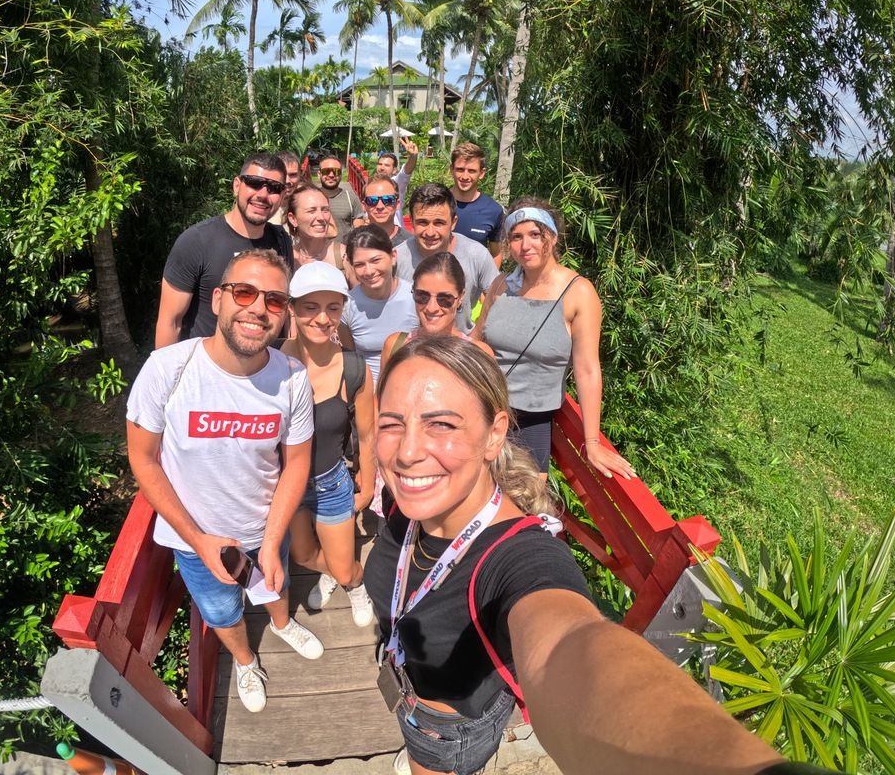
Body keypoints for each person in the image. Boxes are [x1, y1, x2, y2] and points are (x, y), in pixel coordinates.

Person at [364, 337, 784, 775]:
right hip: (409, 692)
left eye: (442, 425)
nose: (407, 453)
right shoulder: (411, 503)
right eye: (392, 424)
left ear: (494, 434)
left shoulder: (516, 558)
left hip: (446, 735)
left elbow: (567, 644)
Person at [126, 249, 323, 716]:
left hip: (264, 526)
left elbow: (296, 463)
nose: (258, 308)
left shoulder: (292, 378)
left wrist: (274, 537)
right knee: (220, 611)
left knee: (276, 584)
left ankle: (281, 625)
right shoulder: (167, 369)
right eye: (245, 292)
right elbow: (143, 460)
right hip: (194, 539)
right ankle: (245, 660)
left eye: (274, 300)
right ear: (217, 299)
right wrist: (198, 539)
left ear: (284, 315)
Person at [476, 198, 636, 479]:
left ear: (552, 236)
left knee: (522, 508)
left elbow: (587, 370)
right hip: (482, 410)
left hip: (529, 423)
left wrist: (593, 443)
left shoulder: (578, 293)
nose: (525, 245)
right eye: (516, 237)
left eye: (535, 235)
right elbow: (477, 342)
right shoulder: (501, 285)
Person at [281, 262, 376, 627]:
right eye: (310, 307)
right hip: (286, 486)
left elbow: (367, 434)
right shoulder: (269, 362)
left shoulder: (353, 369)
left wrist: (367, 484)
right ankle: (338, 572)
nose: (322, 318)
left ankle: (353, 582)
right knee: (304, 555)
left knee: (343, 565)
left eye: (332, 308)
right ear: (292, 308)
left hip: (330, 482)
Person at [155, 153, 293, 347]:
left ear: (282, 196)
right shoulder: (197, 241)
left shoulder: (281, 240)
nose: (262, 194)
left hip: (261, 367)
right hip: (205, 369)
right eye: (254, 183)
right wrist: (169, 375)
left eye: (274, 188)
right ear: (237, 186)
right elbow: (170, 322)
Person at [395, 183, 498, 334]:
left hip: (458, 349)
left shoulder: (476, 254)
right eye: (422, 222)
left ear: (453, 222)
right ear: (412, 221)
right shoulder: (397, 258)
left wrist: (476, 335)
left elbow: (497, 299)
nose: (430, 232)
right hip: (411, 349)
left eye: (439, 223)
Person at [380, 252, 493, 373]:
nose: (431, 307)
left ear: (460, 297)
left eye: (444, 299)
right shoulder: (395, 346)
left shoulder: (478, 355)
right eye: (422, 296)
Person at [338, 225, 418, 383]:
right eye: (360, 265)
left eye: (375, 260)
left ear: (393, 256)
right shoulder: (347, 306)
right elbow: (351, 361)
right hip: (366, 392)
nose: (369, 271)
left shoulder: (416, 298)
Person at [286, 184, 354, 284]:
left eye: (325, 210)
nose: (321, 217)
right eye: (311, 211)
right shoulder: (287, 257)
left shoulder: (343, 256)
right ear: (293, 219)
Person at [449, 142, 504, 260]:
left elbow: (496, 254)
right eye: (460, 169)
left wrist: (490, 278)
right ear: (451, 170)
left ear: (481, 173)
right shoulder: (437, 202)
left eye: (471, 171)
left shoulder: (493, 210)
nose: (465, 176)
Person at [316, 152, 366, 241]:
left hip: (343, 252)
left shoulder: (351, 198)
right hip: (317, 253)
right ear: (319, 174)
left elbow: (360, 231)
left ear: (340, 174)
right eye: (326, 171)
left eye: (336, 171)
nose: (331, 175)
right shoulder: (310, 199)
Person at [375, 137, 419, 225]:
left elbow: (406, 171)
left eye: (387, 165)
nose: (382, 168)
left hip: (396, 235)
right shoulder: (371, 185)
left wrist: (413, 156)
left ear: (394, 170)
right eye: (380, 164)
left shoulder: (396, 183)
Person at [362, 175, 413, 248]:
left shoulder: (411, 244)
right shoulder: (352, 243)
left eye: (388, 200)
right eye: (372, 200)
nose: (380, 206)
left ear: (397, 204)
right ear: (364, 205)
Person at [268, 151, 302, 227]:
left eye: (293, 175)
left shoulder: (306, 203)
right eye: (283, 174)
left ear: (300, 175)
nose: (287, 181)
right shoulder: (261, 204)